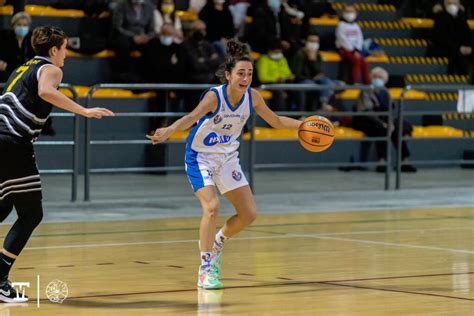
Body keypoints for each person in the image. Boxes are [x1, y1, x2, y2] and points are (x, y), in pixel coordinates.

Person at [147, 39, 302, 289]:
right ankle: (206, 267)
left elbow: (276, 121)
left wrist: (304, 126)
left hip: (228, 158)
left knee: (249, 214)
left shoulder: (253, 97)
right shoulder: (214, 97)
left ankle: (218, 240)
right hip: (200, 157)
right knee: (212, 208)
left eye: (249, 73)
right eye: (241, 73)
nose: (246, 78)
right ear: (228, 75)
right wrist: (170, 129)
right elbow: (191, 117)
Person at [0, 25, 114, 303]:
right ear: (53, 50)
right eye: (64, 48)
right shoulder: (51, 69)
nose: (67, 53)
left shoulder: (22, 67)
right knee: (31, 214)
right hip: (12, 142)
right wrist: (84, 110)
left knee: (4, 206)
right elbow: (47, 91)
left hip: (3, 139)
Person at [352, 67, 416, 173]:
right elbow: (367, 112)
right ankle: (382, 161)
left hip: (382, 120)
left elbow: (390, 111)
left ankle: (405, 161)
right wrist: (383, 124)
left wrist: (390, 124)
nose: (377, 79)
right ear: (371, 78)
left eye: (380, 77)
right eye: (375, 77)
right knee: (382, 129)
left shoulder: (386, 93)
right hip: (365, 120)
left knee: (396, 129)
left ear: (385, 80)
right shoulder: (366, 91)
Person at [428, 0, 472, 75]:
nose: (452, 6)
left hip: (460, 48)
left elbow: (468, 35)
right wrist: (458, 48)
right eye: (449, 3)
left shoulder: (462, 17)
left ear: (459, 5)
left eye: (455, 3)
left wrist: (469, 47)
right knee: (457, 55)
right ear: (444, 4)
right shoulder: (440, 17)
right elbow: (440, 39)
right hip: (444, 49)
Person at [335, 4, 369, 84]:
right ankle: (354, 82)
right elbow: (343, 40)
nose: (349, 13)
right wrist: (353, 51)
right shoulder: (341, 25)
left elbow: (360, 38)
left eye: (351, 11)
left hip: (355, 51)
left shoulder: (356, 26)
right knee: (356, 61)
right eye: (347, 11)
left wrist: (357, 50)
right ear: (343, 13)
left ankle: (367, 84)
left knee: (364, 63)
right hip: (344, 50)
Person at [0, 12, 35, 83]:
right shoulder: (5, 38)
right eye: (19, 24)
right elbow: (2, 63)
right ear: (13, 26)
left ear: (28, 27)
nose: (22, 27)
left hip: (26, 72)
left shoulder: (32, 39)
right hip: (8, 73)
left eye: (25, 25)